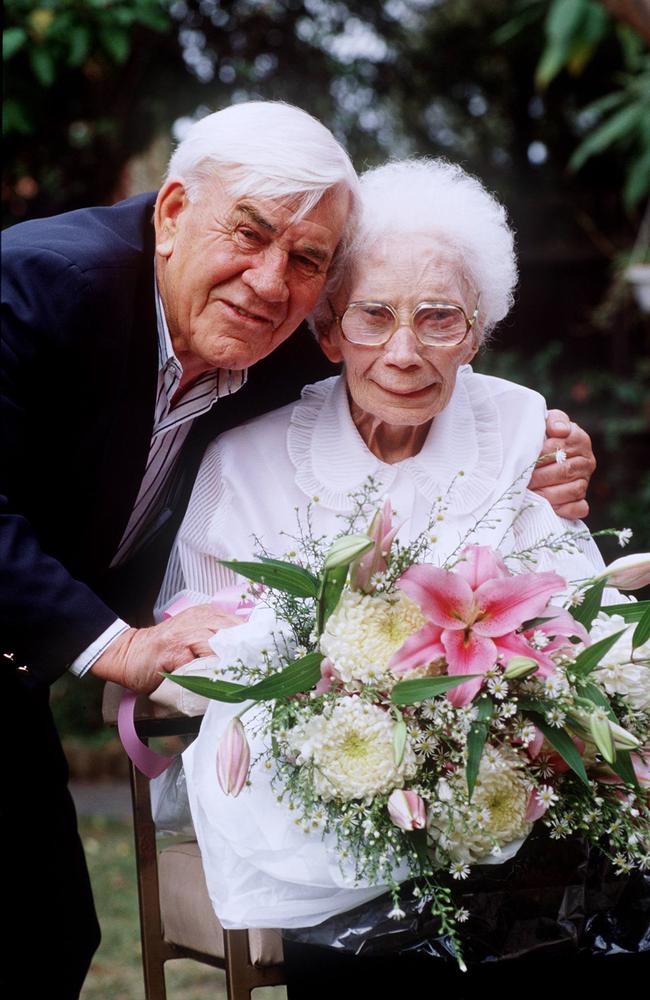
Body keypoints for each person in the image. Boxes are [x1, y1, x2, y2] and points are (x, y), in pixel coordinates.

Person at [1, 101, 591, 994]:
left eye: (307, 259)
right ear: (170, 214)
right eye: (248, 232)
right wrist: (119, 644)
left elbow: (417, 365)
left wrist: (551, 455)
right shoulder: (40, 281)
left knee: (48, 933)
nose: (272, 281)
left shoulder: (272, 337)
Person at [156, 157, 612, 995]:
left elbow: (572, 595)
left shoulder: (516, 424)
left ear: (476, 332)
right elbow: (194, 652)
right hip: (308, 779)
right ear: (328, 331)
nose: (405, 351)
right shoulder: (247, 460)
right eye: (373, 317)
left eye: (439, 318)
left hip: (501, 772)